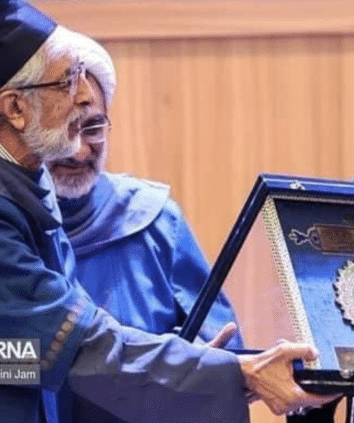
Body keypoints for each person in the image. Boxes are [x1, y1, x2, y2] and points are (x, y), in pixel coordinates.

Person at [0, 1, 337, 422]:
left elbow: (22, 349)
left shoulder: (9, 174)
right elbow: (75, 343)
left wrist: (199, 362)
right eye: (67, 81)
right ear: (15, 108)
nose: (83, 91)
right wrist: (231, 373)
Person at [44, 35, 245, 421]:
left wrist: (210, 365)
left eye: (93, 127)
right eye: (63, 130)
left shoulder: (155, 220)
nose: (79, 149)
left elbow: (224, 348)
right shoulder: (9, 227)